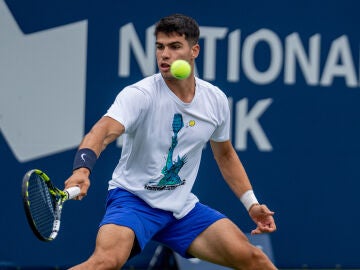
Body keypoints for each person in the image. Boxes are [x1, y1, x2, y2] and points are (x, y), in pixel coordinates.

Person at [65, 13, 277, 270]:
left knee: (255, 260)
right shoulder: (140, 95)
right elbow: (102, 132)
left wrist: (251, 204)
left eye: (175, 46)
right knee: (105, 263)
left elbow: (225, 155)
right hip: (133, 200)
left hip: (181, 209)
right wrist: (82, 170)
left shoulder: (215, 100)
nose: (164, 55)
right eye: (160, 47)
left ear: (194, 51)